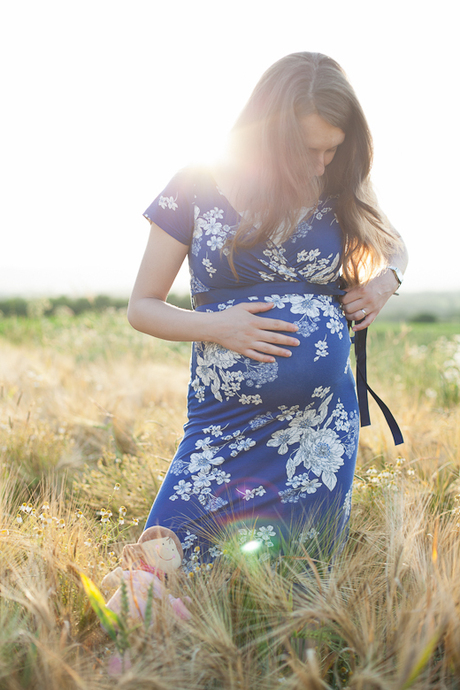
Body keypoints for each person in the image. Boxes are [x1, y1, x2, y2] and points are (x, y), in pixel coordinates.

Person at [128, 52, 408, 572]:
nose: (322, 162)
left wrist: (383, 283)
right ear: (270, 136)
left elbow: (395, 249)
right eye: (309, 148)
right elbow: (141, 307)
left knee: (290, 587)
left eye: (333, 148)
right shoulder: (196, 183)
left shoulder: (340, 184)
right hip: (221, 425)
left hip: (318, 432)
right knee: (162, 564)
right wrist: (218, 326)